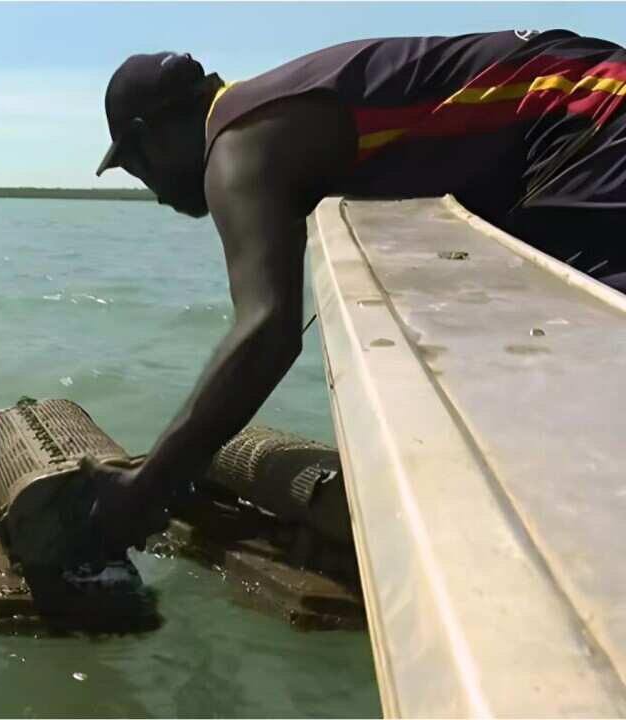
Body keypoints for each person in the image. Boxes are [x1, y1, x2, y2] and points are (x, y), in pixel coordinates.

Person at [83, 29, 626, 552]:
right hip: (579, 100)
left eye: (135, 165)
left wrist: (146, 490)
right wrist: (160, 464)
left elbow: (266, 332)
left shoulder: (238, 147)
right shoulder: (267, 115)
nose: (152, 193)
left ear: (153, 132)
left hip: (587, 111)